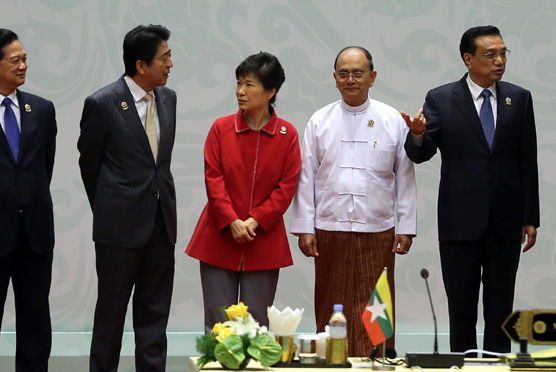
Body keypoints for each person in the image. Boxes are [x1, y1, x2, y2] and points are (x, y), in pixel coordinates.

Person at [404, 25, 540, 355]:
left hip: (505, 221)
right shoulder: (441, 98)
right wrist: (418, 135)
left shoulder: (518, 98)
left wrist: (530, 217)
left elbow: (527, 161)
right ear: (468, 59)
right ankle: (460, 364)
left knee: (500, 306)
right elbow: (420, 154)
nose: (499, 60)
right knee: (461, 307)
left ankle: (496, 362)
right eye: (490, 54)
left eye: (503, 53)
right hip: (459, 221)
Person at [290, 46, 420, 357]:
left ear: (372, 77)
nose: (351, 80)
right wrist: (305, 227)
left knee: (377, 310)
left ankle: (379, 362)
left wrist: (407, 225)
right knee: (331, 305)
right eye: (344, 74)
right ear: (335, 78)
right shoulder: (320, 120)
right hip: (329, 228)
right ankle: (330, 362)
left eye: (358, 73)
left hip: (378, 230)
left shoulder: (392, 119)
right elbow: (306, 177)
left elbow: (404, 176)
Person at [77, 24, 177, 372]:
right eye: (164, 58)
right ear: (141, 65)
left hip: (161, 226)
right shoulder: (102, 103)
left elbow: (159, 165)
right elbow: (89, 166)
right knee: (111, 319)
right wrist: (111, 208)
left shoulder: (168, 98)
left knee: (154, 319)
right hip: (118, 231)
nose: (170, 64)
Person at [186, 52, 300, 328]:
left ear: (270, 91)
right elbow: (213, 180)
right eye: (239, 83)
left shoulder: (288, 134)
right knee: (219, 325)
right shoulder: (221, 128)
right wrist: (233, 221)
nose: (240, 91)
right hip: (219, 235)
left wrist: (255, 220)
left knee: (256, 324)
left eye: (250, 85)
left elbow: (287, 187)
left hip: (263, 240)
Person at [0, 28, 57, 372]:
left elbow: (43, 168)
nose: (23, 66)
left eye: (25, 59)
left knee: (35, 321)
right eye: (15, 60)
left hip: (34, 233)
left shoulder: (42, 109)